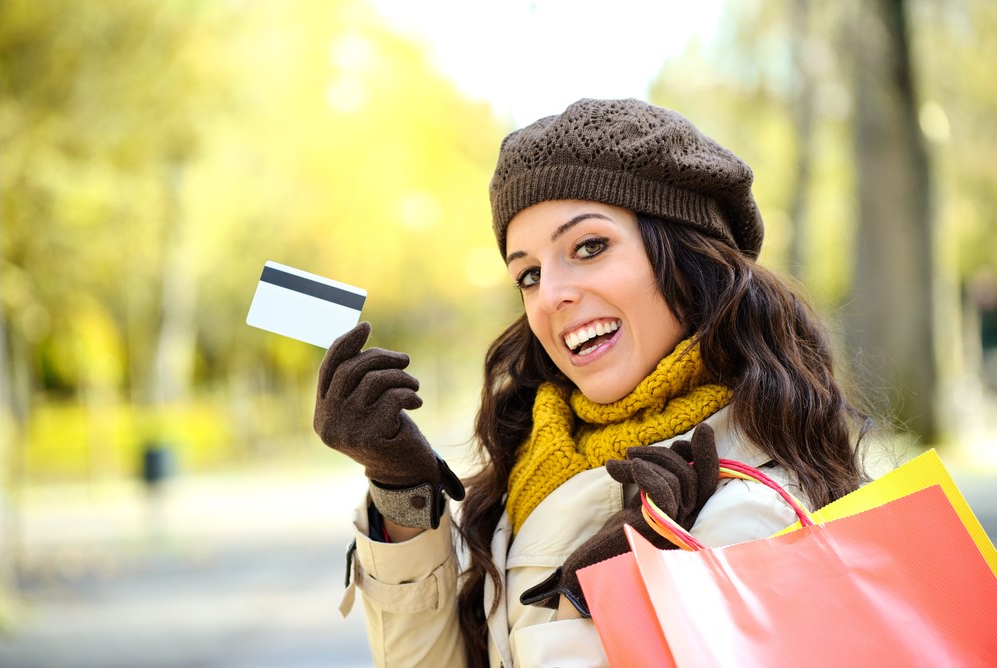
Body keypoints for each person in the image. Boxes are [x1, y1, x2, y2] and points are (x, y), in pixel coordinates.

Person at [313, 98, 871, 667]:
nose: (551, 294)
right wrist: (402, 493)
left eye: (589, 247)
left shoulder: (749, 501)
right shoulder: (539, 452)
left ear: (687, 254)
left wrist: (595, 602)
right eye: (528, 274)